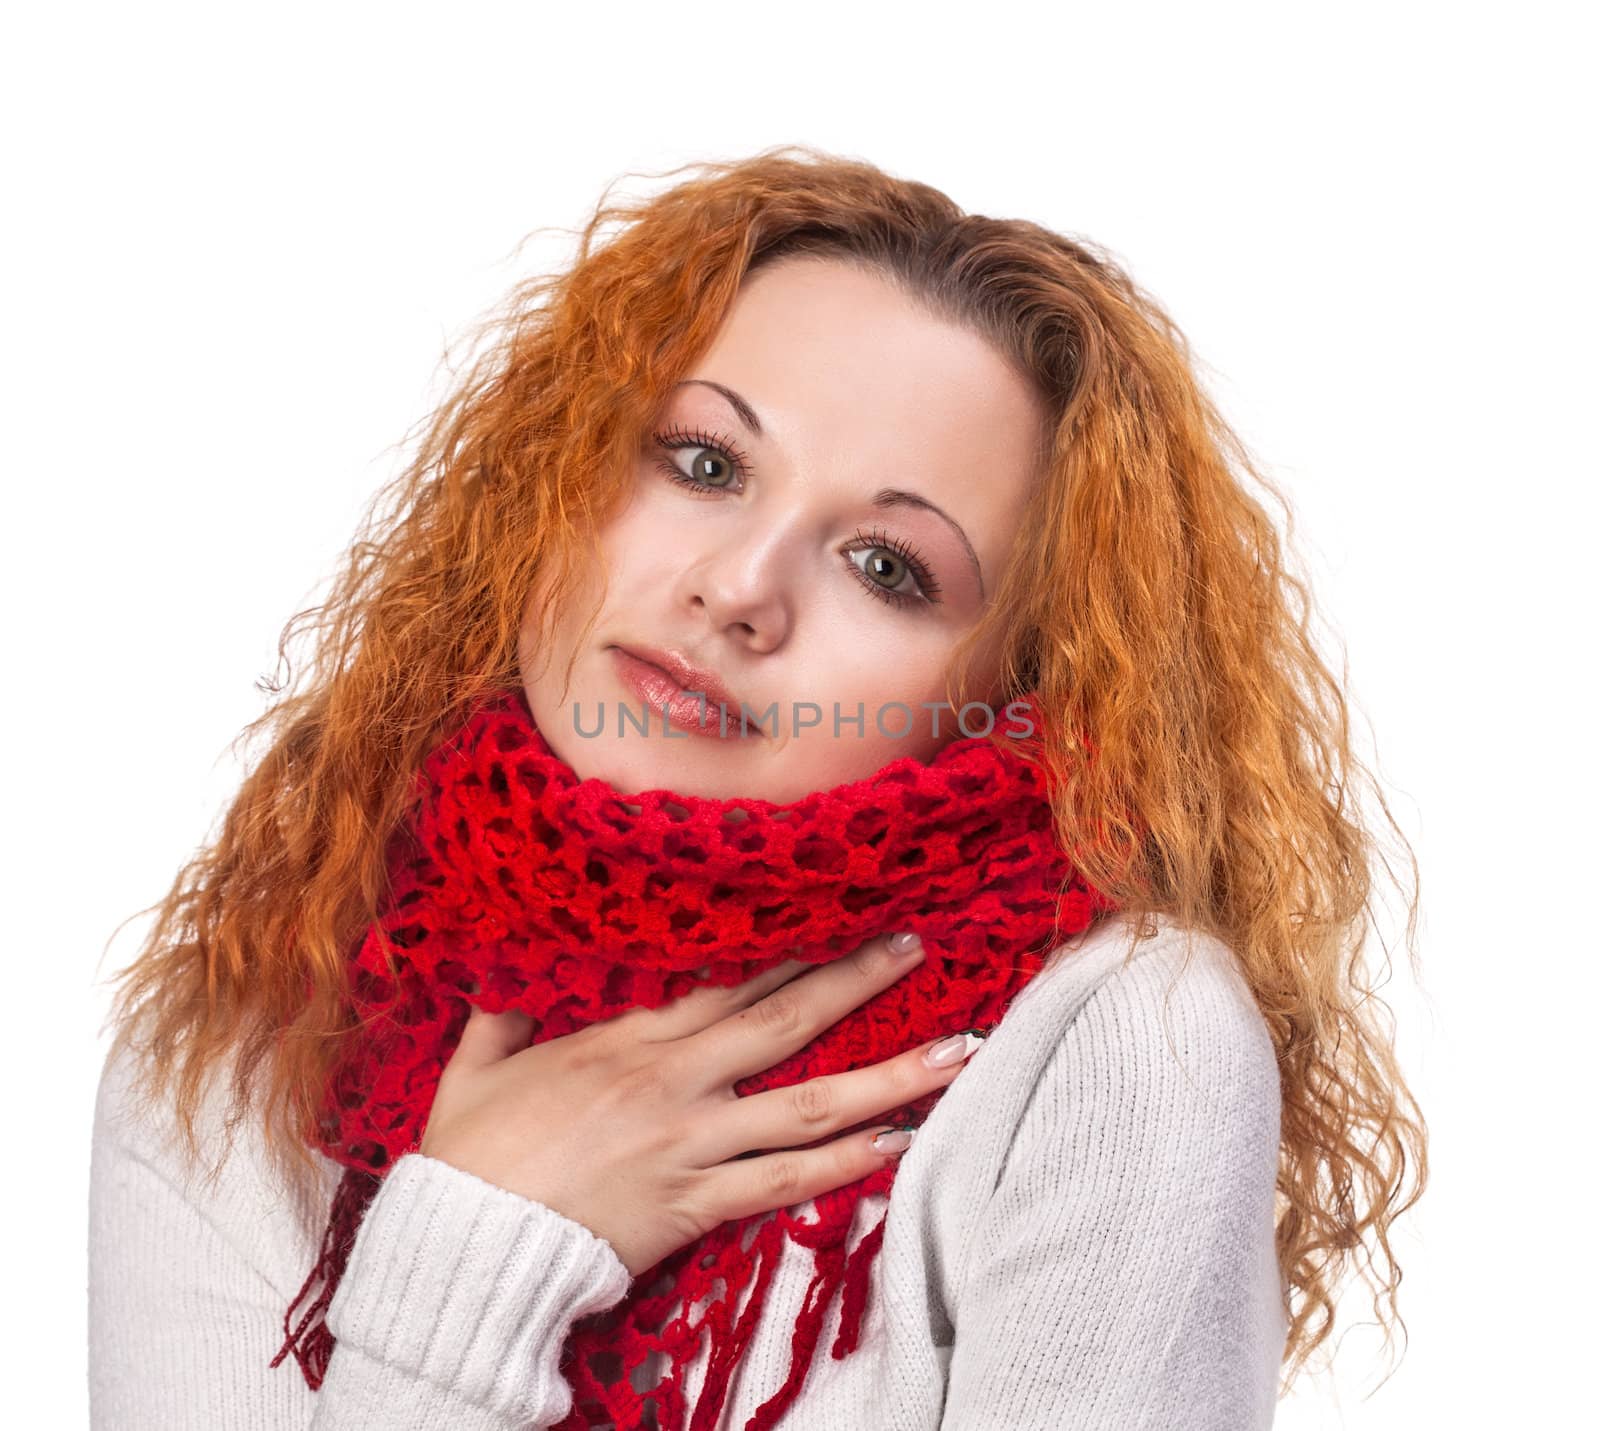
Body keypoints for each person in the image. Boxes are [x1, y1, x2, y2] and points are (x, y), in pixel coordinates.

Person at [88, 146, 1427, 1429]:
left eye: (888, 567)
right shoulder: (263, 1002)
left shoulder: (1115, 1042)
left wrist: (465, 1256)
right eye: (705, 463)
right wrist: (487, 1218)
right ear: (559, 477)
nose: (737, 590)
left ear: (1018, 698)